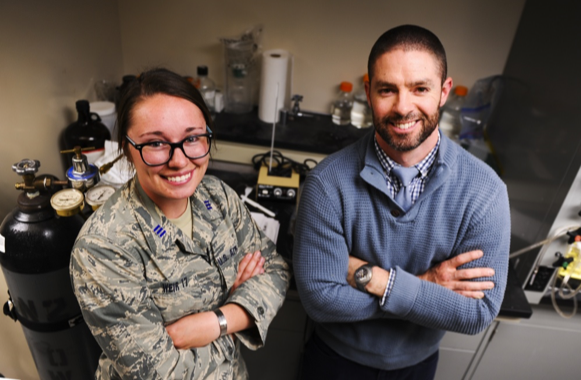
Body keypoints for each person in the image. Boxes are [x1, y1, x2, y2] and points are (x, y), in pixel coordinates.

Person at [293, 25, 510, 380]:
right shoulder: (327, 183)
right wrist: (425, 284)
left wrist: (377, 280)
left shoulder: (485, 191)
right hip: (332, 360)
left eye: (420, 88)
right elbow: (320, 298)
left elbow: (477, 314)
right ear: (368, 92)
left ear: (444, 92)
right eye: (387, 90)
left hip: (416, 367)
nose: (403, 107)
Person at [70, 68, 291, 379]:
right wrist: (244, 311)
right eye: (156, 144)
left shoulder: (218, 197)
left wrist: (217, 322)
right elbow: (160, 373)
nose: (179, 160)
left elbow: (277, 271)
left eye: (192, 138)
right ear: (128, 149)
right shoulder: (104, 248)